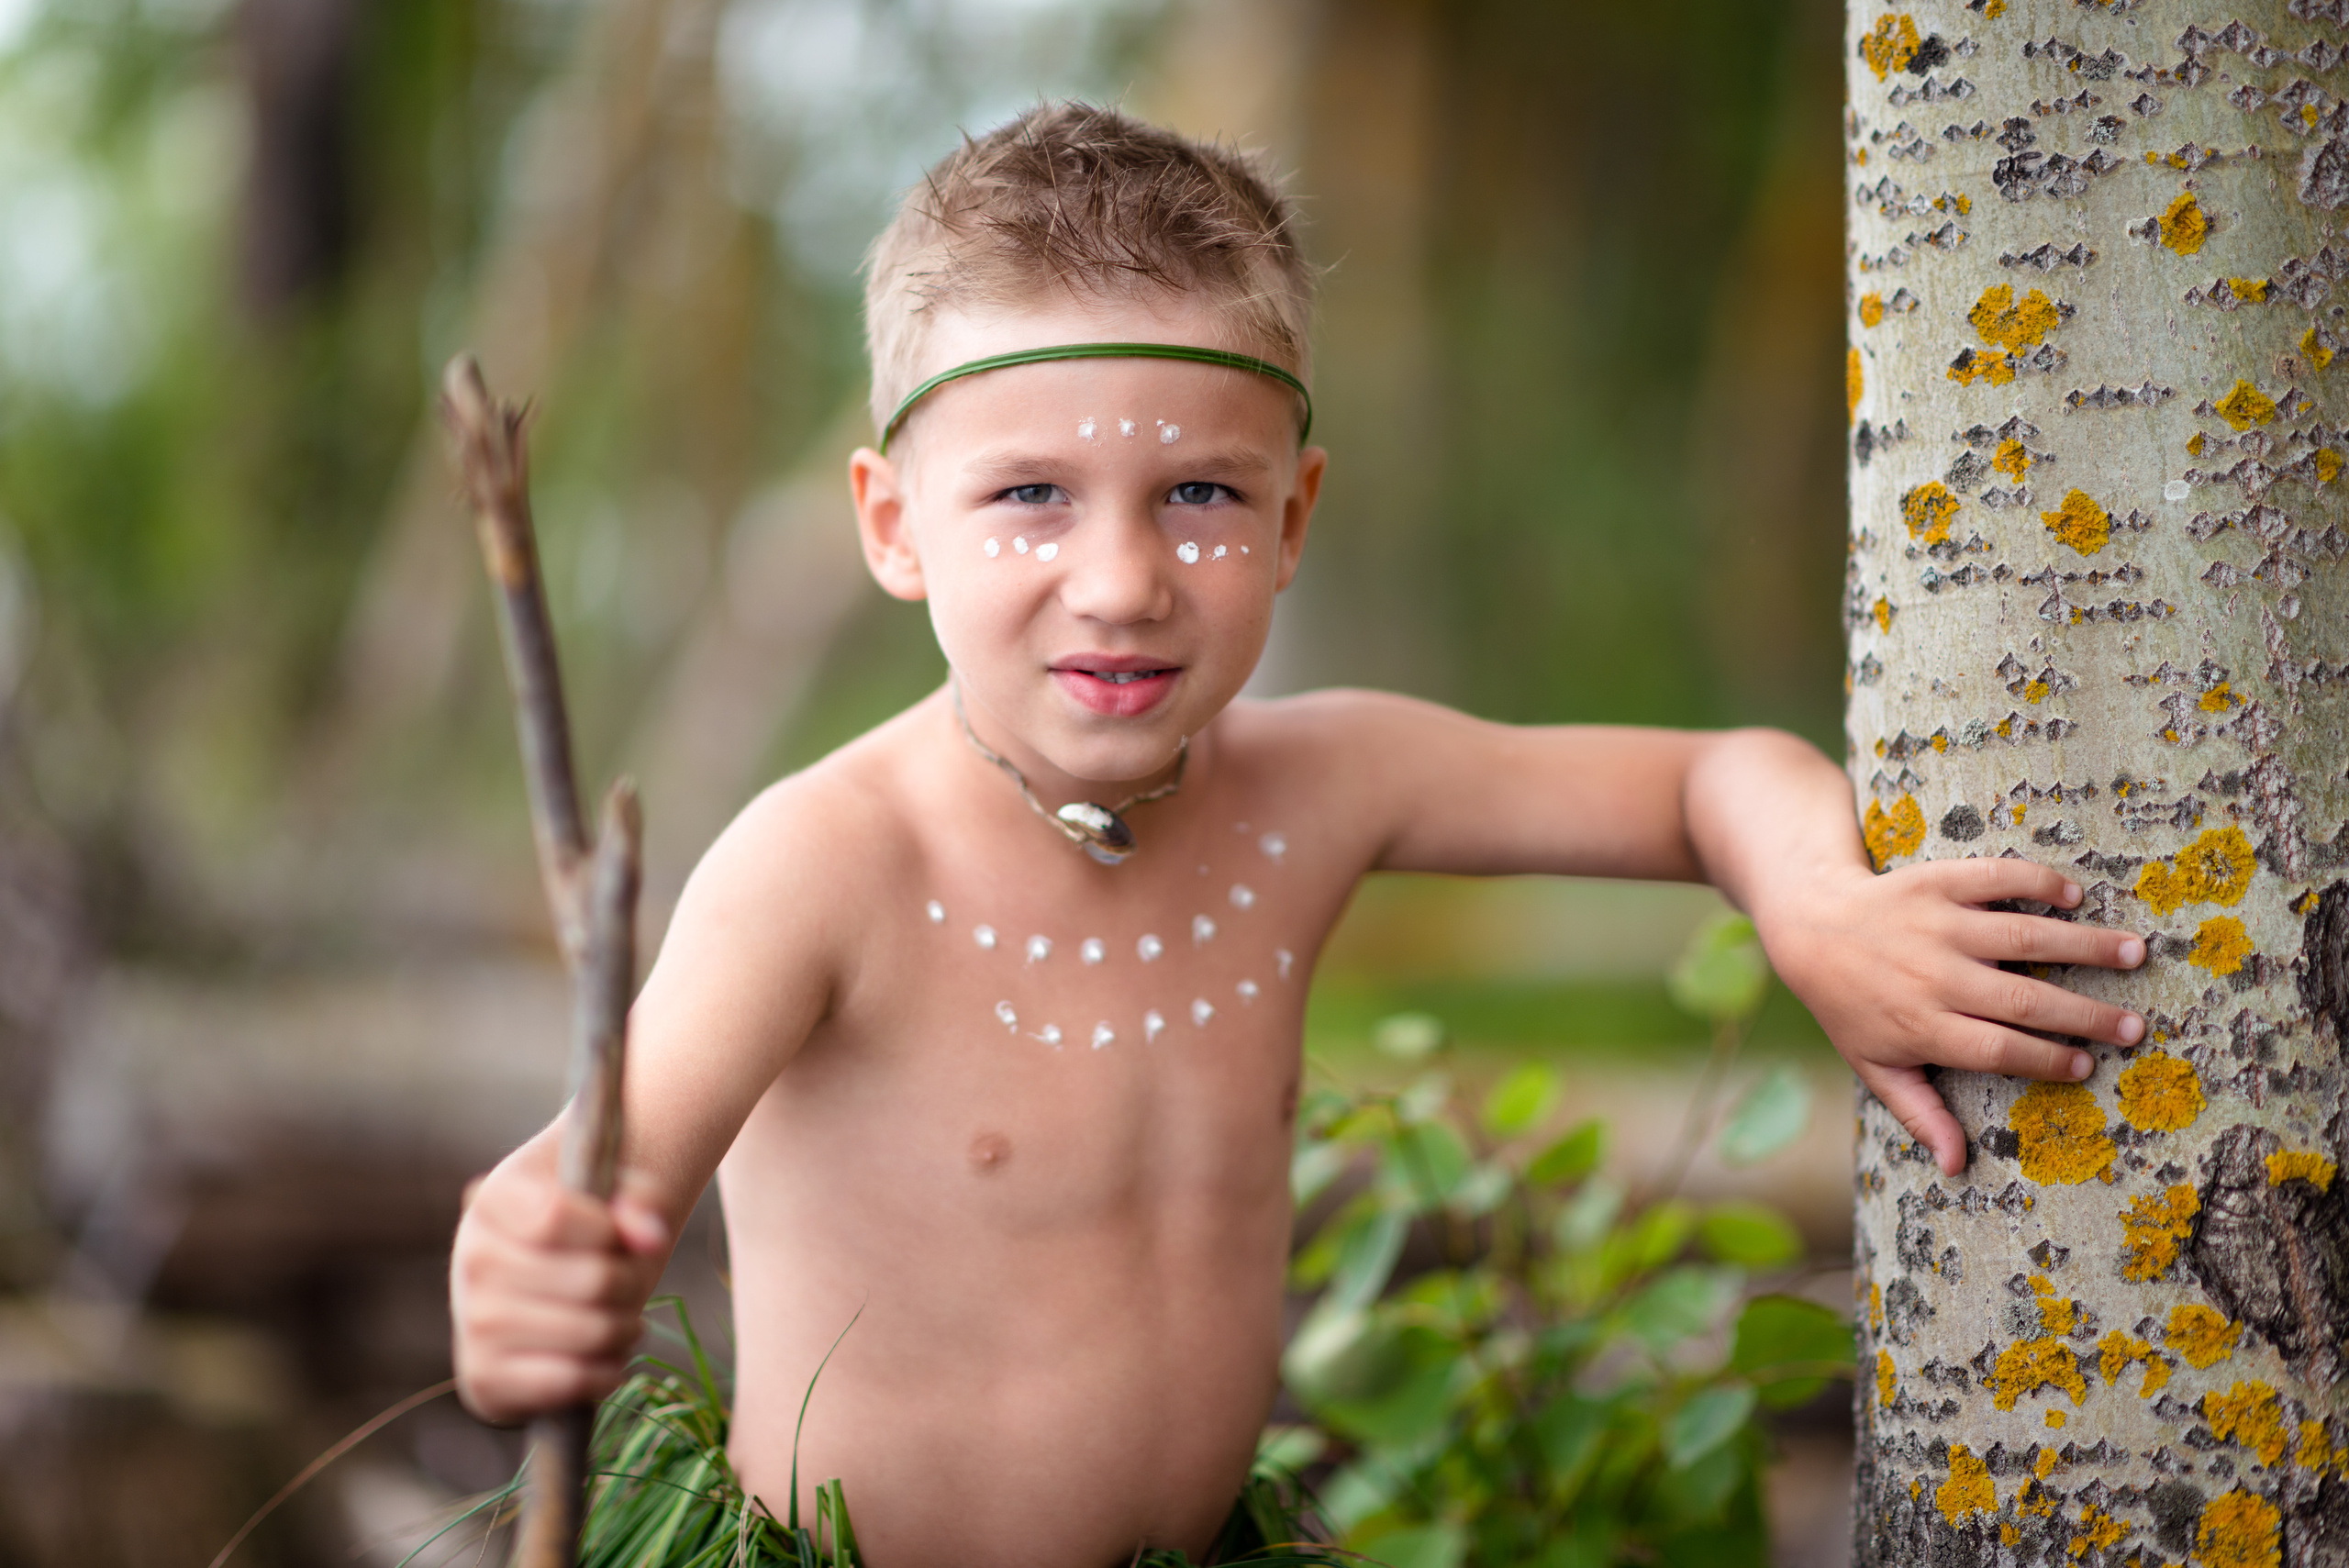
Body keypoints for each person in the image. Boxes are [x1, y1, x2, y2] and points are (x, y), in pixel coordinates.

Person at [449, 101, 2148, 1567]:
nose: (1121, 580)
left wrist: (1820, 909)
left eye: (1199, 492)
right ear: (895, 525)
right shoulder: (827, 862)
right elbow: (584, 1174)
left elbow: (1714, 775)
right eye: (1030, 494)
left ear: (1293, 516)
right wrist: (522, 1271)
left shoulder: (1314, 788)